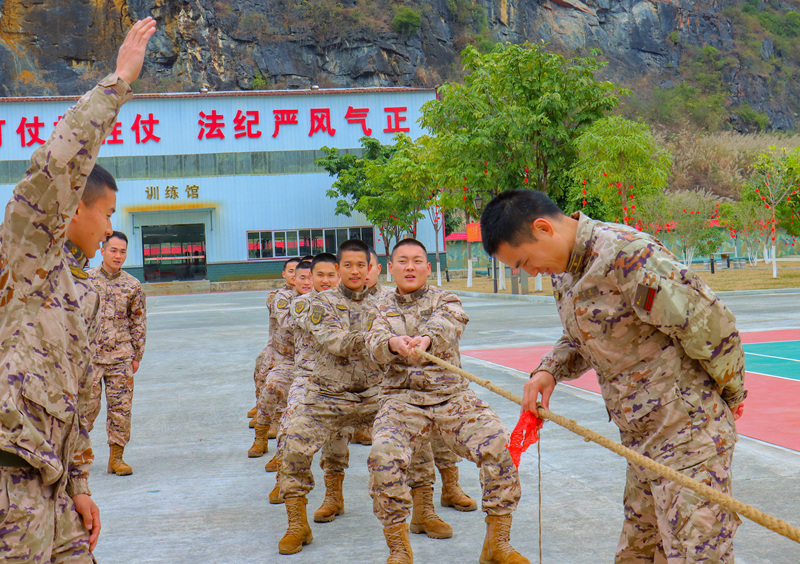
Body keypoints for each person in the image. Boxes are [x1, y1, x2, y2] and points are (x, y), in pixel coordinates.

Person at [480, 189, 746, 563]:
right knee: (637, 554)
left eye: (524, 261)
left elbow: (711, 326)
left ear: (543, 228)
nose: (529, 273)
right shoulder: (565, 270)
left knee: (696, 555)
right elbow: (585, 335)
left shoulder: (629, 256)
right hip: (641, 442)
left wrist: (732, 394)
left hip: (690, 439)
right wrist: (549, 370)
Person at [0, 17, 156, 560]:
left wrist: (80, 486)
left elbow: (77, 397)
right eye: (107, 215)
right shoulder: (24, 263)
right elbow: (54, 167)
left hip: (54, 488)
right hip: (8, 484)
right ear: (73, 210)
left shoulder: (78, 290)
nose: (112, 230)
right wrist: (117, 83)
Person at [278, 240, 445, 556]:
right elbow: (336, 341)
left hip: (378, 393)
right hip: (328, 393)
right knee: (293, 445)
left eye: (361, 265)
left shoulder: (390, 300)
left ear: (371, 267)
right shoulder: (319, 303)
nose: (355, 271)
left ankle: (423, 512)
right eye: (348, 265)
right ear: (339, 269)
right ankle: (297, 523)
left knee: (418, 440)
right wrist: (387, 342)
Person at [366, 238, 527, 564]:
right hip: (402, 400)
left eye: (416, 261)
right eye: (402, 261)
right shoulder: (377, 307)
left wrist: (426, 339)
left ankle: (497, 543)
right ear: (390, 268)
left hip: (451, 396)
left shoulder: (446, 298)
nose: (409, 267)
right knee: (383, 457)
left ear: (428, 267)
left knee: (498, 443)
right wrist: (394, 344)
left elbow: (450, 323)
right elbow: (373, 342)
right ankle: (399, 548)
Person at [86, 231, 147, 476]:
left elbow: (139, 322)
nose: (118, 255)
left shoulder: (132, 285)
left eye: (122, 251)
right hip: (90, 358)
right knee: (85, 410)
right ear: (102, 250)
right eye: (113, 250)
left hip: (121, 357)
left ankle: (116, 459)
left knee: (120, 410)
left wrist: (136, 355)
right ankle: (77, 456)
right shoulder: (86, 281)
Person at [248, 257, 300, 430]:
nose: (295, 275)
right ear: (284, 274)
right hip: (278, 349)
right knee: (263, 370)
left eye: (298, 271)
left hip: (301, 352)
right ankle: (263, 411)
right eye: (291, 271)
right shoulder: (277, 296)